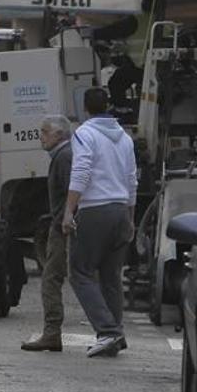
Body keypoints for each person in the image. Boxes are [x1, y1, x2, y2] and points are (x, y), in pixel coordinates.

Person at [62, 87, 137, 359]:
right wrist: (130, 218)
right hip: (120, 209)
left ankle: (107, 332)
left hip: (95, 210)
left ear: (86, 108)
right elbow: (131, 179)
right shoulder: (125, 138)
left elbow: (81, 172)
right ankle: (116, 332)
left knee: (80, 272)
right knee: (110, 277)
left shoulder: (85, 134)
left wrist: (69, 211)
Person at [21, 115, 74, 353]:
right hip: (63, 223)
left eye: (44, 132)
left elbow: (75, 190)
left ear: (59, 135)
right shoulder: (63, 156)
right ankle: (110, 330)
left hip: (64, 226)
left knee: (51, 279)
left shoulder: (64, 157)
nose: (40, 137)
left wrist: (65, 217)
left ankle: (52, 333)